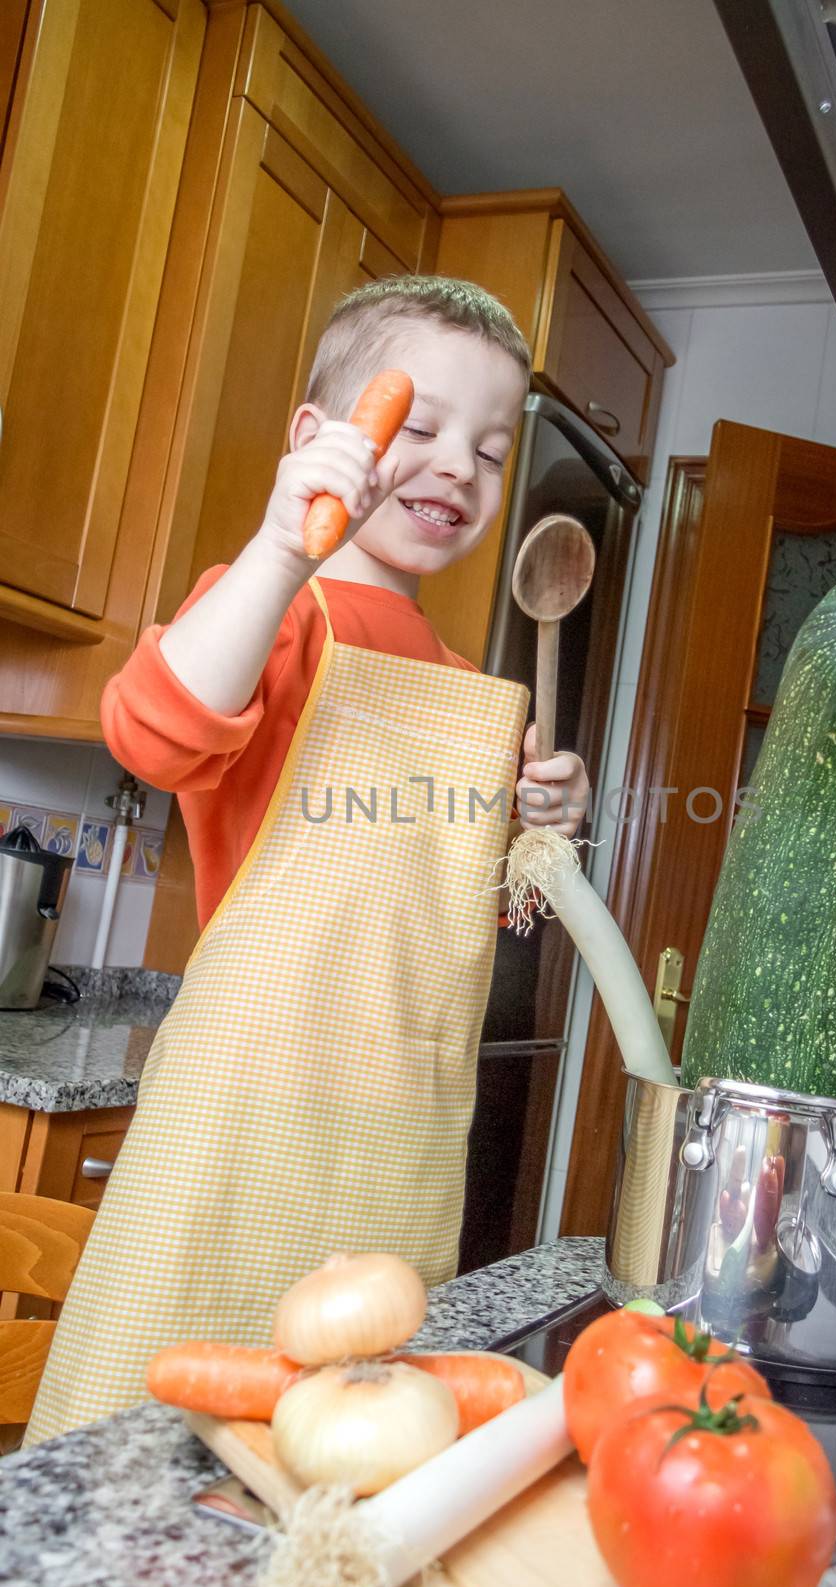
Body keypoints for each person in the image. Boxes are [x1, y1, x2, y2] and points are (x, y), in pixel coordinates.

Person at [25, 276, 590, 1444]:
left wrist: (540, 835)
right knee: (154, 1444)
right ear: (316, 439)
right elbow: (154, 729)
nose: (456, 470)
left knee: (344, 1452)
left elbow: (460, 917)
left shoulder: (465, 687)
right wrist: (282, 547)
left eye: (489, 451)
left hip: (402, 1137)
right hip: (241, 1118)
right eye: (417, 428)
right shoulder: (272, 611)